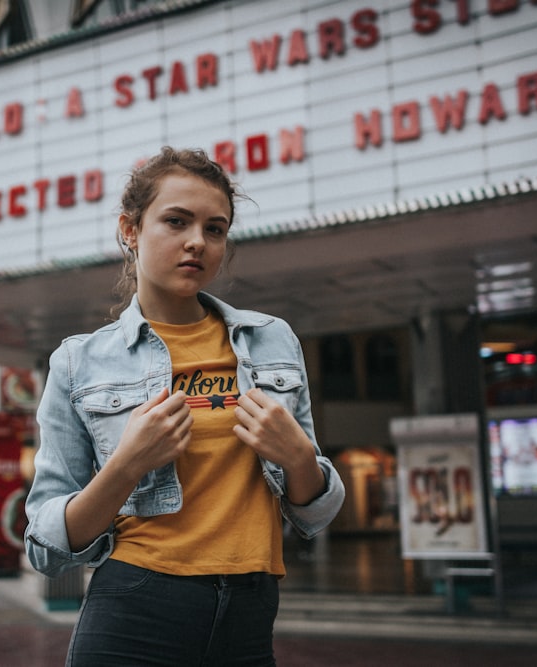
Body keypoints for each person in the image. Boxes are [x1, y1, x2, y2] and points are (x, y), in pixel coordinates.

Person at [24, 146, 346, 666]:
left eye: (215, 229)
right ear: (130, 230)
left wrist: (300, 459)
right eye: (176, 221)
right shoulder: (78, 363)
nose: (197, 241)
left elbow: (316, 511)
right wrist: (127, 465)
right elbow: (47, 545)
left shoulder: (272, 342)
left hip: (249, 609)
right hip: (136, 608)